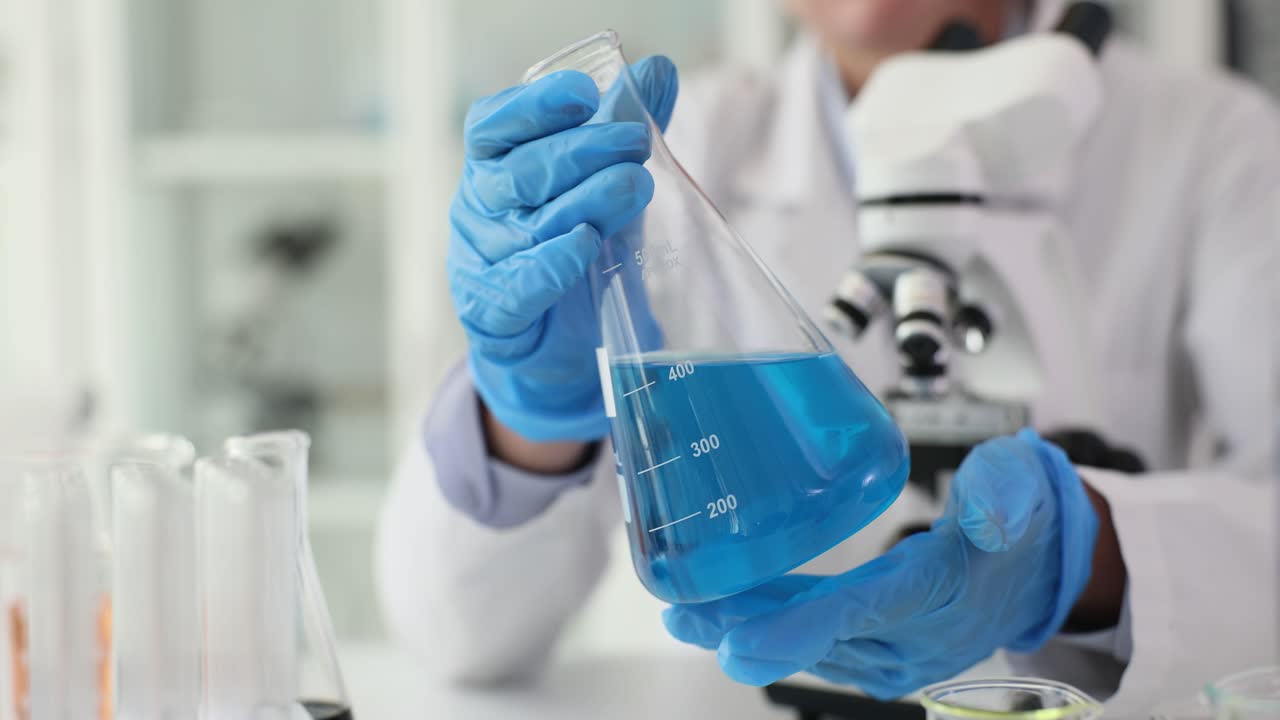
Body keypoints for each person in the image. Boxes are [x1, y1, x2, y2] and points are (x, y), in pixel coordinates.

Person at [376, 0, 1279, 714]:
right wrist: (528, 411)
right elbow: (457, 640)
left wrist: (1095, 560)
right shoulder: (674, 146)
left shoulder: (1216, 144)